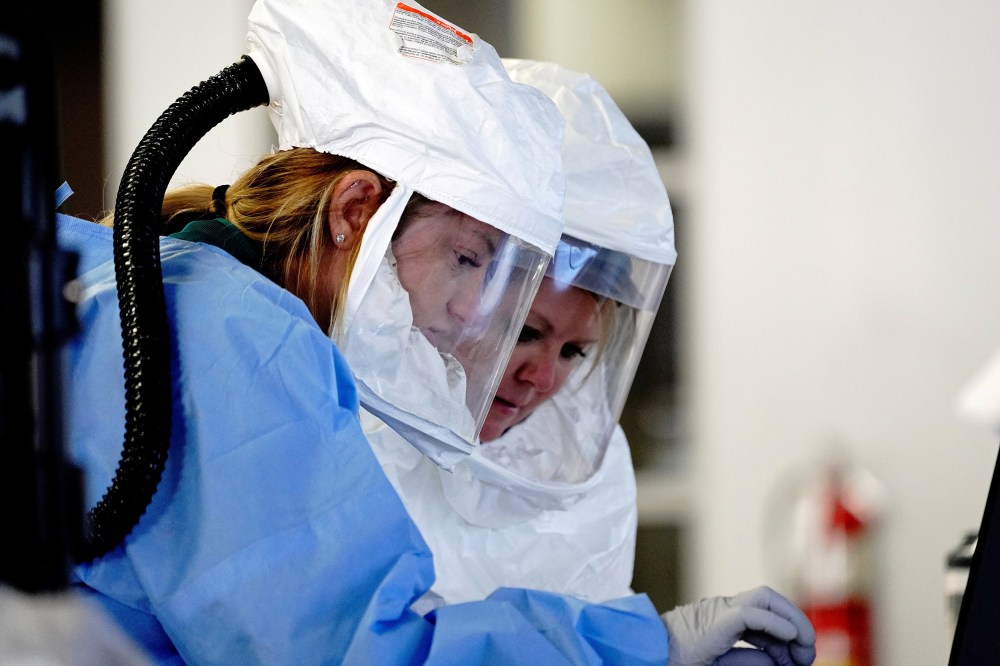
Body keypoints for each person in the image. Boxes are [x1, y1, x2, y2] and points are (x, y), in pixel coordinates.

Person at [58, 1, 685, 662]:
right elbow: (356, 650)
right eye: (468, 260)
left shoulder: (173, 281)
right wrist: (645, 645)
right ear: (357, 211)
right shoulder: (245, 343)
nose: (478, 312)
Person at [363, 60, 817, 666]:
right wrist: (642, 649)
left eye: (574, 351)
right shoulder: (335, 435)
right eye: (526, 332)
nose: (545, 379)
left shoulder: (572, 477)